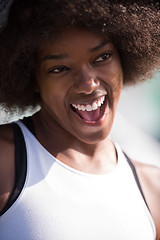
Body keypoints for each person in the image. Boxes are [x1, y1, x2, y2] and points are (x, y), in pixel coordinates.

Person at [0, 0, 160, 239]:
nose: (88, 84)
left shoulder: (153, 188)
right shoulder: (5, 161)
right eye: (60, 68)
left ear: (124, 56)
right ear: (32, 78)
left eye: (102, 57)